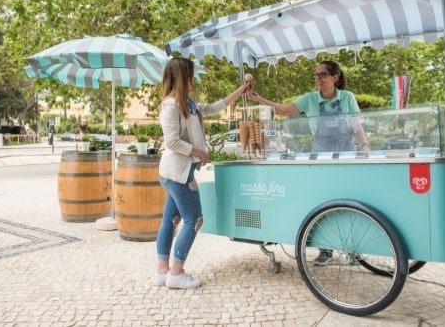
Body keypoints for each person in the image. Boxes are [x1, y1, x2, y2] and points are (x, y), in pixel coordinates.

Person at [247, 60, 370, 265]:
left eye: (322, 75)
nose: (318, 79)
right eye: (316, 75)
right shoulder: (310, 99)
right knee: (322, 201)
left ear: (335, 78)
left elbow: (356, 126)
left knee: (349, 201)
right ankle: (325, 250)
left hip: (345, 154)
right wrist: (260, 99)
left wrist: (364, 145)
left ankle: (353, 248)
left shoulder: (347, 97)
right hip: (320, 153)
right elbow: (285, 109)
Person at [154, 57, 250, 288]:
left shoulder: (188, 103)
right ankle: (176, 274)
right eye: (191, 74)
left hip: (177, 172)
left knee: (171, 220)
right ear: (182, 76)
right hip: (177, 172)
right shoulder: (170, 105)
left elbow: (214, 107)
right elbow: (172, 141)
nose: (194, 78)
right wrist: (199, 152)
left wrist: (240, 91)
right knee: (194, 219)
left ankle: (161, 271)